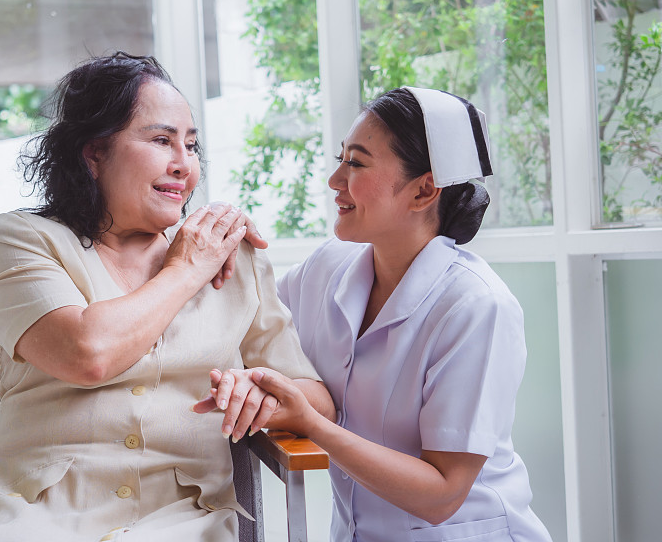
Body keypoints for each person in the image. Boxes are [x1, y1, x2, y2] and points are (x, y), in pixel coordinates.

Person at [0, 52, 334, 542]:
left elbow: (317, 402)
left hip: (184, 522)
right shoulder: (17, 240)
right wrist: (188, 267)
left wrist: (262, 396)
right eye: (161, 140)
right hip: (33, 517)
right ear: (94, 153)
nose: (183, 165)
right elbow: (88, 354)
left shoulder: (237, 260)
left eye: (191, 146)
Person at [214, 87, 552, 541]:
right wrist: (218, 246)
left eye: (355, 163)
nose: (335, 180)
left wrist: (312, 423)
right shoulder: (327, 268)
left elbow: (442, 495)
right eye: (341, 159)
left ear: (424, 190)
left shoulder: (476, 307)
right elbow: (245, 323)